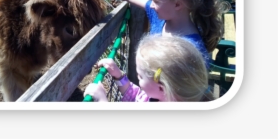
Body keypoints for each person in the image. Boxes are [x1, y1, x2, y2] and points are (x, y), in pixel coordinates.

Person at [65, 0, 228, 68]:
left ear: (177, 4)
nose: (151, 4)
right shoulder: (161, 15)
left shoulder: (190, 51)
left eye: (155, 0)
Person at [84, 34, 213, 102]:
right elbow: (136, 96)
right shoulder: (158, 97)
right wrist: (118, 76)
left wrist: (102, 102)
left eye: (140, 76)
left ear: (162, 88)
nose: (138, 79)